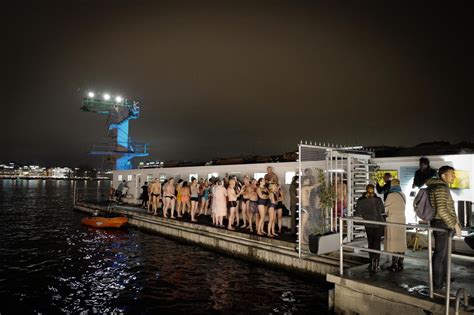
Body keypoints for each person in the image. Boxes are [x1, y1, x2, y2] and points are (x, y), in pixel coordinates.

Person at [427, 166, 462, 292]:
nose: (454, 176)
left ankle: (444, 278)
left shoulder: (442, 187)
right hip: (442, 224)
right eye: (451, 174)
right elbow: (442, 210)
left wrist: (455, 222)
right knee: (440, 254)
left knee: (444, 254)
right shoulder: (441, 188)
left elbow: (447, 208)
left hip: (443, 224)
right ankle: (437, 284)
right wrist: (455, 225)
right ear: (443, 176)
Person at [355, 184, 385, 273]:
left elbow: (357, 214)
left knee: (371, 242)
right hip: (379, 223)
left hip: (369, 224)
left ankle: (372, 262)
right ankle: (376, 262)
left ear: (366, 190)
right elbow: (383, 211)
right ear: (374, 190)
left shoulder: (361, 201)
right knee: (377, 242)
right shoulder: (378, 199)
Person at [384, 179, 406, 272]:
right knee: (401, 241)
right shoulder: (403, 194)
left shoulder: (390, 195)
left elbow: (385, 208)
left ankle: (394, 264)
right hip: (402, 220)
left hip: (393, 220)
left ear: (392, 185)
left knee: (394, 242)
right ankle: (401, 263)